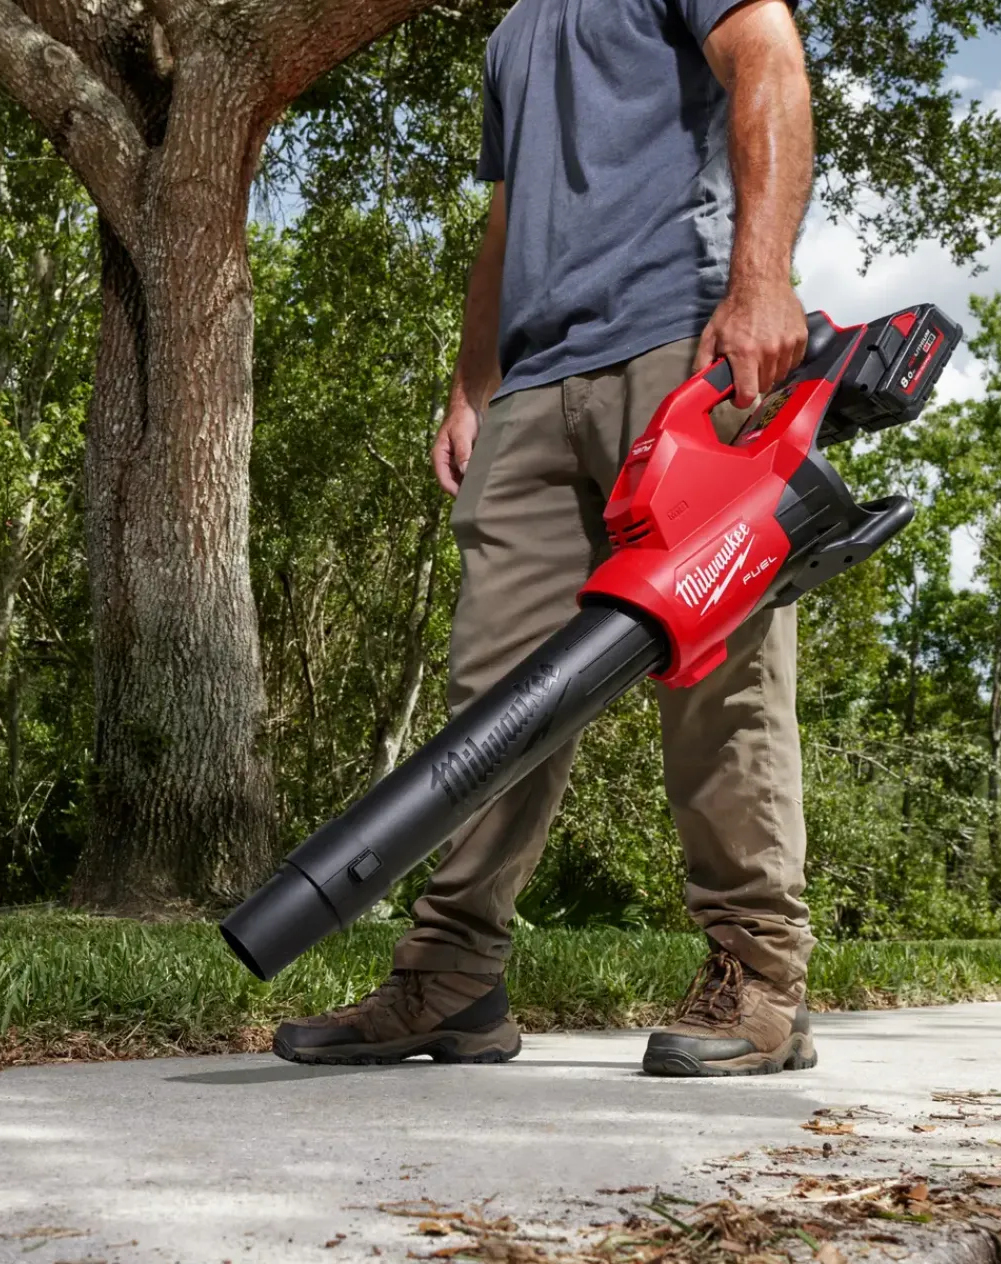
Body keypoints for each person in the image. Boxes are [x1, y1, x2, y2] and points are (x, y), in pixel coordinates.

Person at [273, 0, 817, 1078]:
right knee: (495, 695)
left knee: (719, 673)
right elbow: (509, 216)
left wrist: (762, 280)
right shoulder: (514, 29)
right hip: (533, 385)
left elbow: (770, 60)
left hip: (682, 345)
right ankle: (452, 977)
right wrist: (472, 384)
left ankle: (759, 974)